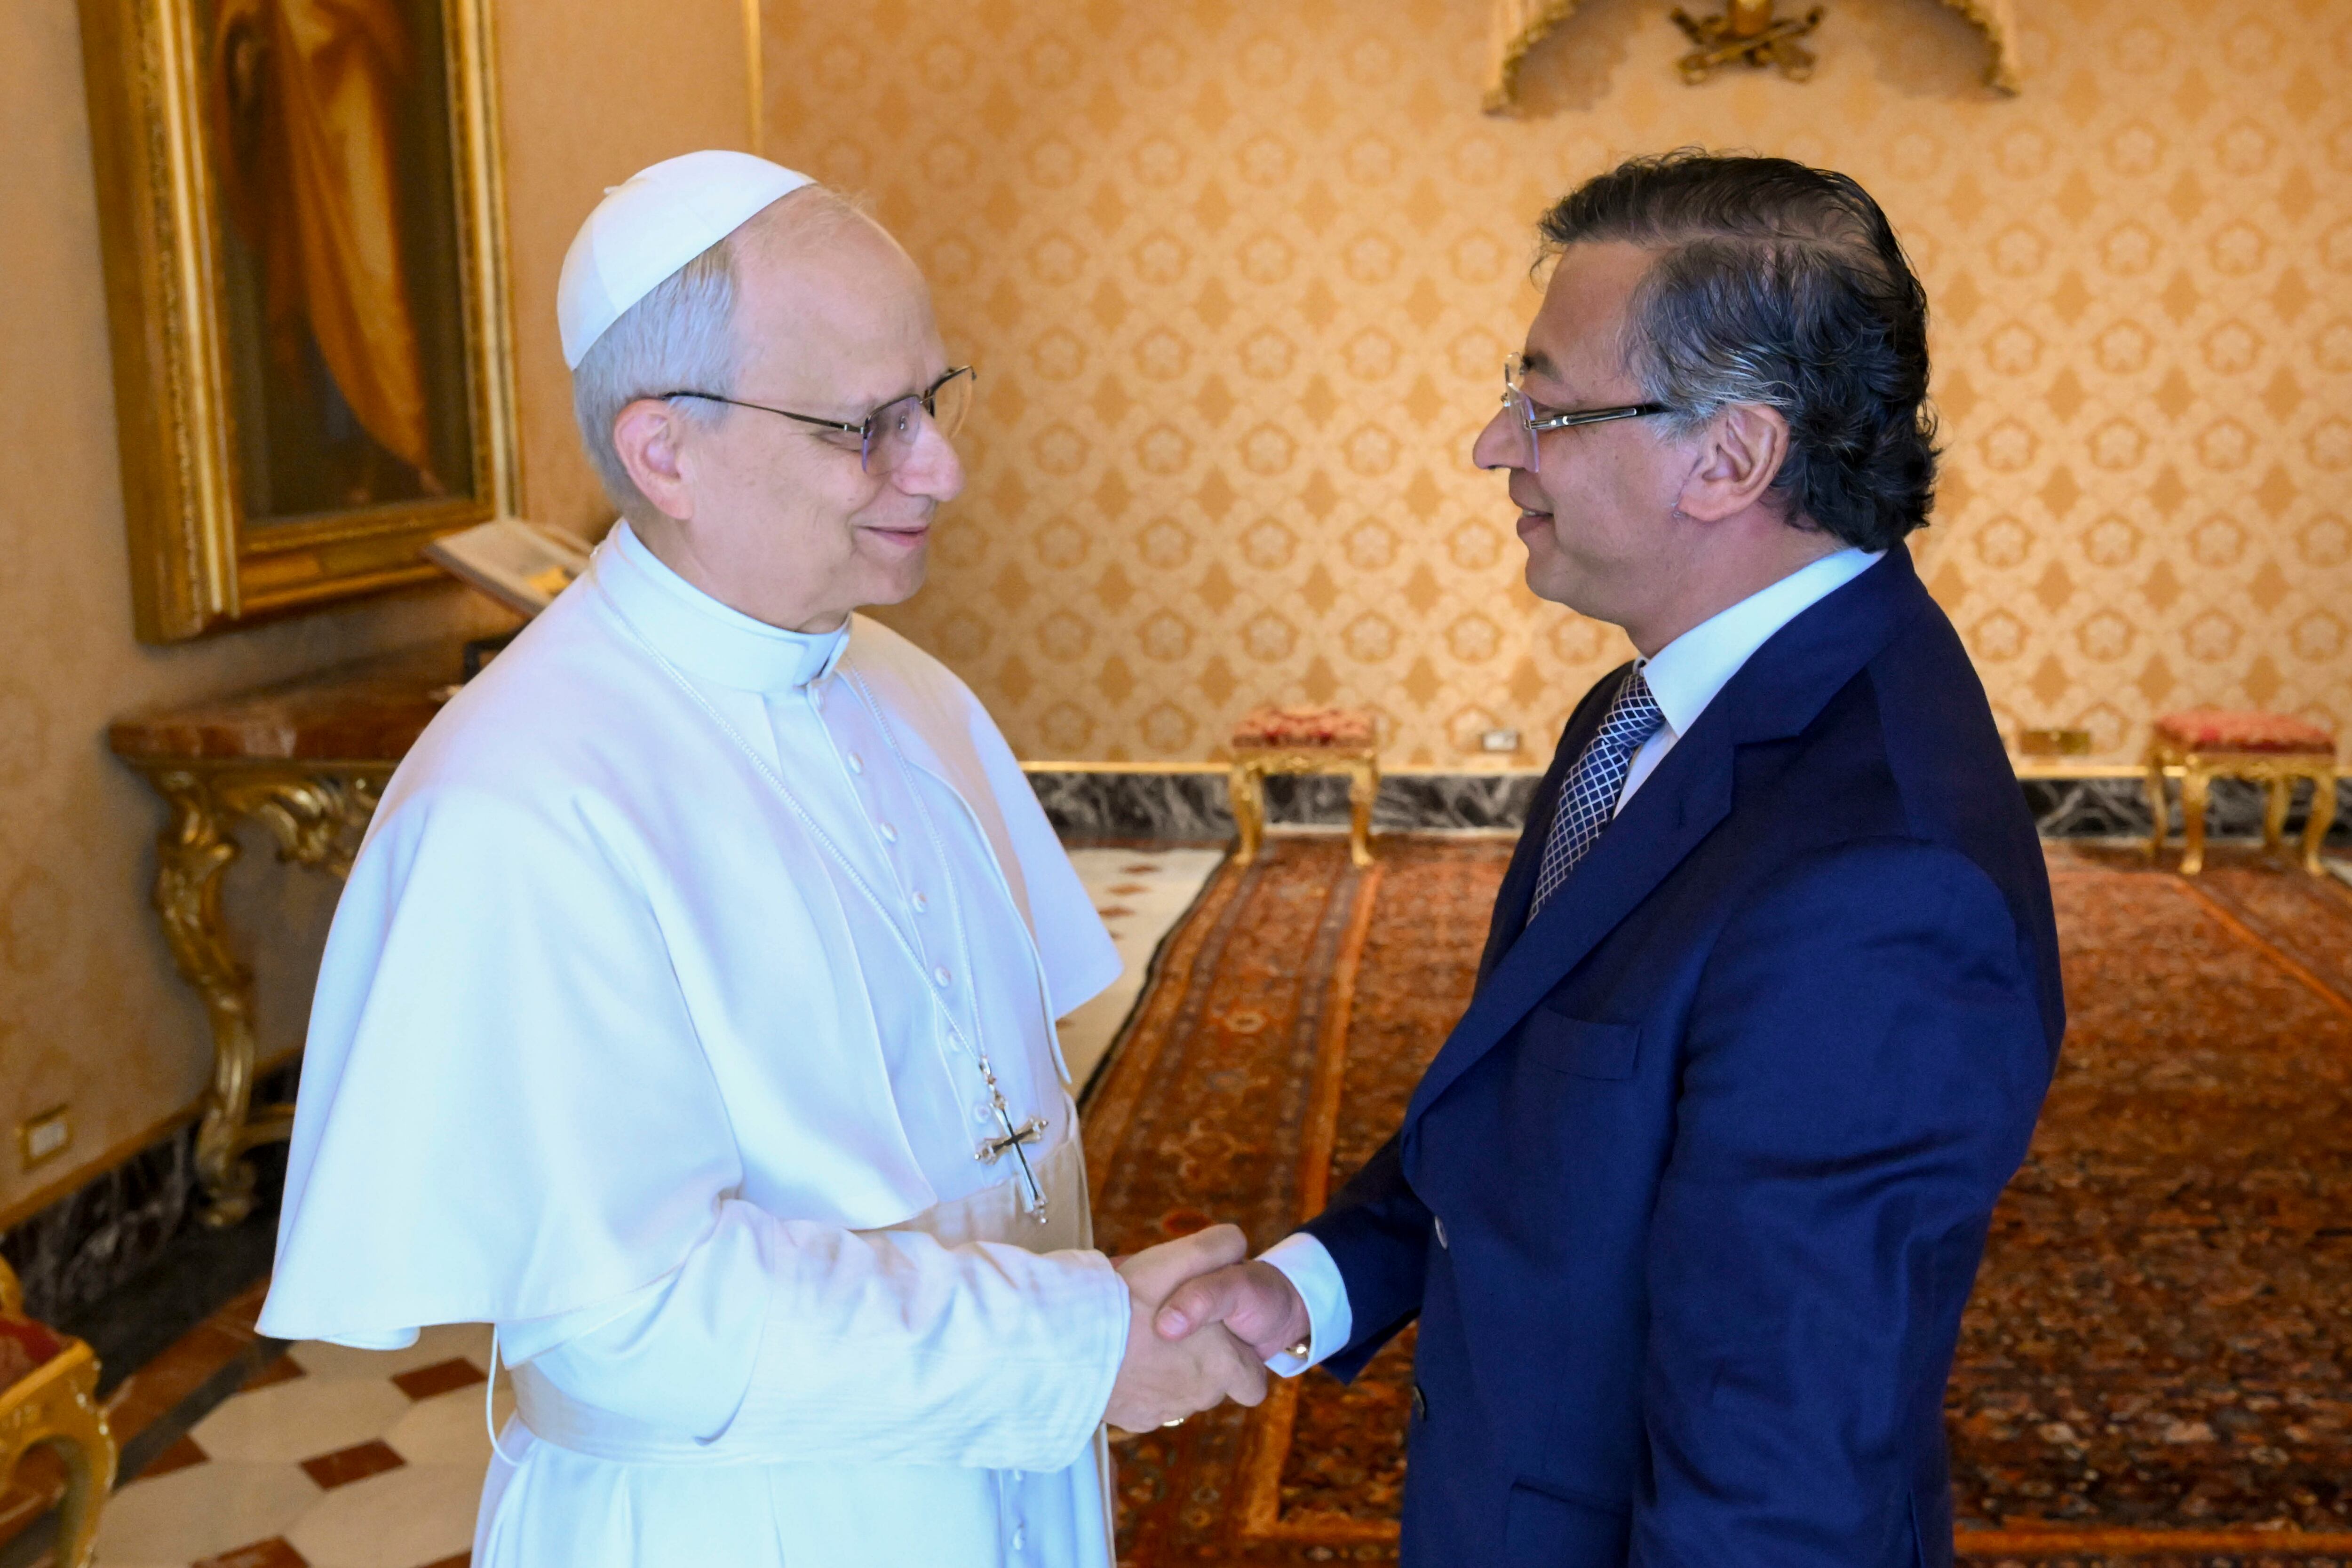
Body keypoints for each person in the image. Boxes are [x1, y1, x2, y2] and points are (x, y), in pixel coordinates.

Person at [257, 151, 1265, 1568]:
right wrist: (1080, 1346)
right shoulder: (522, 798)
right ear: (665, 450)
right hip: (738, 1522)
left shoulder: (912, 693)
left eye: (934, 399)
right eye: (869, 424)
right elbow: (634, 1323)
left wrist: (1086, 1345)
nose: (942, 466)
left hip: (1003, 1472)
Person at [1156, 151, 2065, 1564]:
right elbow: (1547, 1092)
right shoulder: (1655, 705)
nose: (1495, 446)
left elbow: (1781, 1473)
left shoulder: (1880, 879)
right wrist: (1322, 1281)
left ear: (1732, 458)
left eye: (1548, 406)